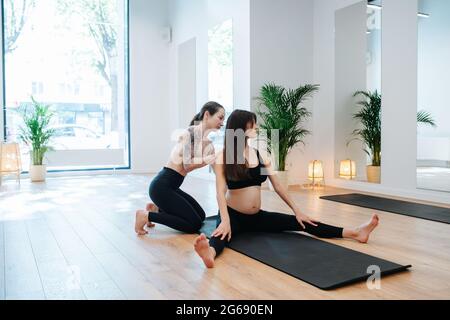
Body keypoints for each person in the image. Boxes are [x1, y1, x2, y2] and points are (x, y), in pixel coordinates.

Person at [194, 109, 379, 268]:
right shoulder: (224, 157)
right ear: (241, 129)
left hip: (256, 217)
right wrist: (225, 220)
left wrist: (298, 211)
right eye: (253, 125)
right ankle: (209, 253)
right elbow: (220, 192)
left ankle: (355, 232)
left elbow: (278, 186)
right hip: (232, 215)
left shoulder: (258, 154)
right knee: (222, 233)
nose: (256, 128)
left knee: (301, 222)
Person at [134, 102, 225, 235]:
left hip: (172, 187)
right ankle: (145, 215)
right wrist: (208, 159)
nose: (222, 122)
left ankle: (155, 209)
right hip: (161, 187)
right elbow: (187, 166)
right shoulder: (189, 133)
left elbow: (213, 164)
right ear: (207, 115)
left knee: (200, 216)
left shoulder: (206, 142)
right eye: (220, 117)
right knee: (193, 225)